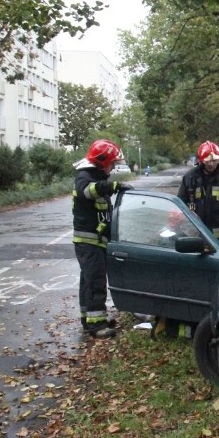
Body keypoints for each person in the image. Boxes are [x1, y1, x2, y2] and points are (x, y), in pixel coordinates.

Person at [72, 140, 132, 338]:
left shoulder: (95, 176)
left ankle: (89, 319)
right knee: (95, 281)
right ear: (102, 161)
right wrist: (111, 186)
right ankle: (96, 326)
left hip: (95, 241)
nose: (113, 167)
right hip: (88, 241)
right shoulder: (84, 177)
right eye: (112, 163)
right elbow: (87, 191)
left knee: (88, 281)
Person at [178, 141, 219, 249]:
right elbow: (180, 203)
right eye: (208, 161)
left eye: (214, 161)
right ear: (201, 161)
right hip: (195, 233)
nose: (211, 164)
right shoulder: (190, 177)